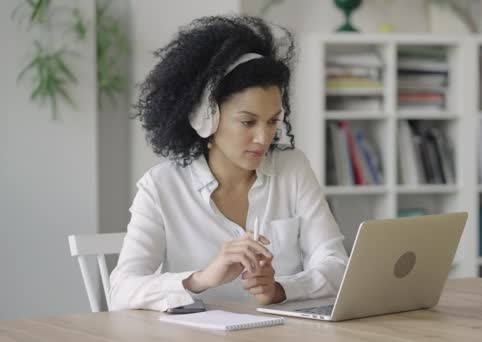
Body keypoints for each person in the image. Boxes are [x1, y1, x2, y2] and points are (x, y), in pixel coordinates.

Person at [109, 16, 348, 312]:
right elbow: (121, 290)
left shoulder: (293, 169)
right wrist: (202, 278)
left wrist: (280, 289)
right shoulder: (161, 187)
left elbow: (337, 266)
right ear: (206, 116)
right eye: (248, 122)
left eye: (273, 121)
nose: (264, 137)